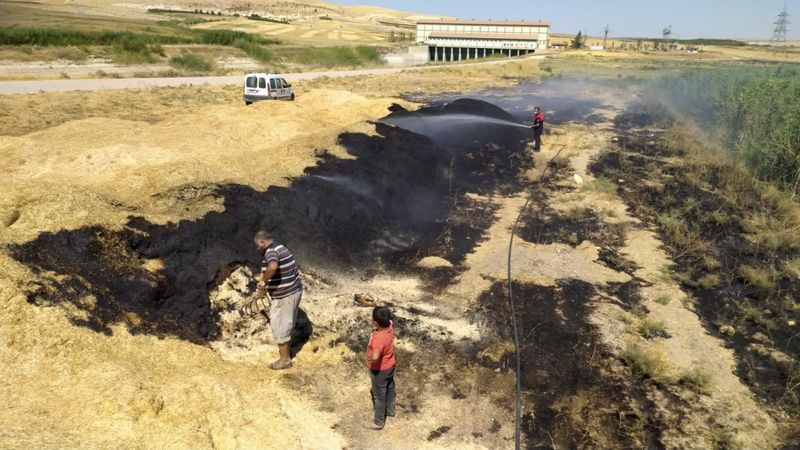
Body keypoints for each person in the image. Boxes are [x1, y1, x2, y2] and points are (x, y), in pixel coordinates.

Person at [253, 230, 303, 370]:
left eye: (257, 245)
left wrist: (263, 280)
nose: (257, 248)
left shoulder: (272, 252)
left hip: (285, 296)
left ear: (263, 242)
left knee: (279, 325)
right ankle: (286, 352)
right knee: (284, 323)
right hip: (292, 291)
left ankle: (285, 360)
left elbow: (273, 266)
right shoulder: (279, 247)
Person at [362, 306, 396, 430]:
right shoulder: (390, 326)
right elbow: (386, 322)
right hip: (390, 365)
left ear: (375, 322)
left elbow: (376, 356)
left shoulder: (378, 339)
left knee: (379, 395)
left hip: (379, 370)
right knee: (390, 387)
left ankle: (378, 422)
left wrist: (371, 359)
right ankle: (391, 410)